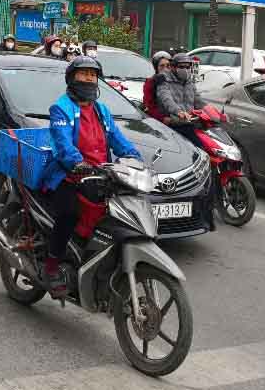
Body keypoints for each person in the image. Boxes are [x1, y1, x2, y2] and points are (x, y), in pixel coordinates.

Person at [42, 56, 141, 298]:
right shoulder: (61, 108)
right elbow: (63, 143)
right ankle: (51, 267)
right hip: (68, 176)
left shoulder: (102, 110)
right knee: (69, 214)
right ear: (72, 78)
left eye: (93, 74)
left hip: (100, 176)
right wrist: (78, 163)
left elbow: (118, 139)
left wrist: (135, 158)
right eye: (83, 73)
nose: (88, 78)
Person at [156, 53, 206, 142]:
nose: (185, 70)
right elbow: (166, 98)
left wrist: (211, 111)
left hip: (190, 122)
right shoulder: (164, 79)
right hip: (174, 124)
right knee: (198, 146)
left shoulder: (189, 81)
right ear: (173, 67)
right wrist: (178, 112)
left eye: (187, 67)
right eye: (181, 67)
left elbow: (198, 100)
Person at [142, 50, 172, 121]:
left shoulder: (175, 80)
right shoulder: (151, 82)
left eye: (168, 65)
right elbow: (149, 105)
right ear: (156, 67)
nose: (165, 68)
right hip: (160, 120)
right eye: (162, 66)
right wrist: (162, 118)